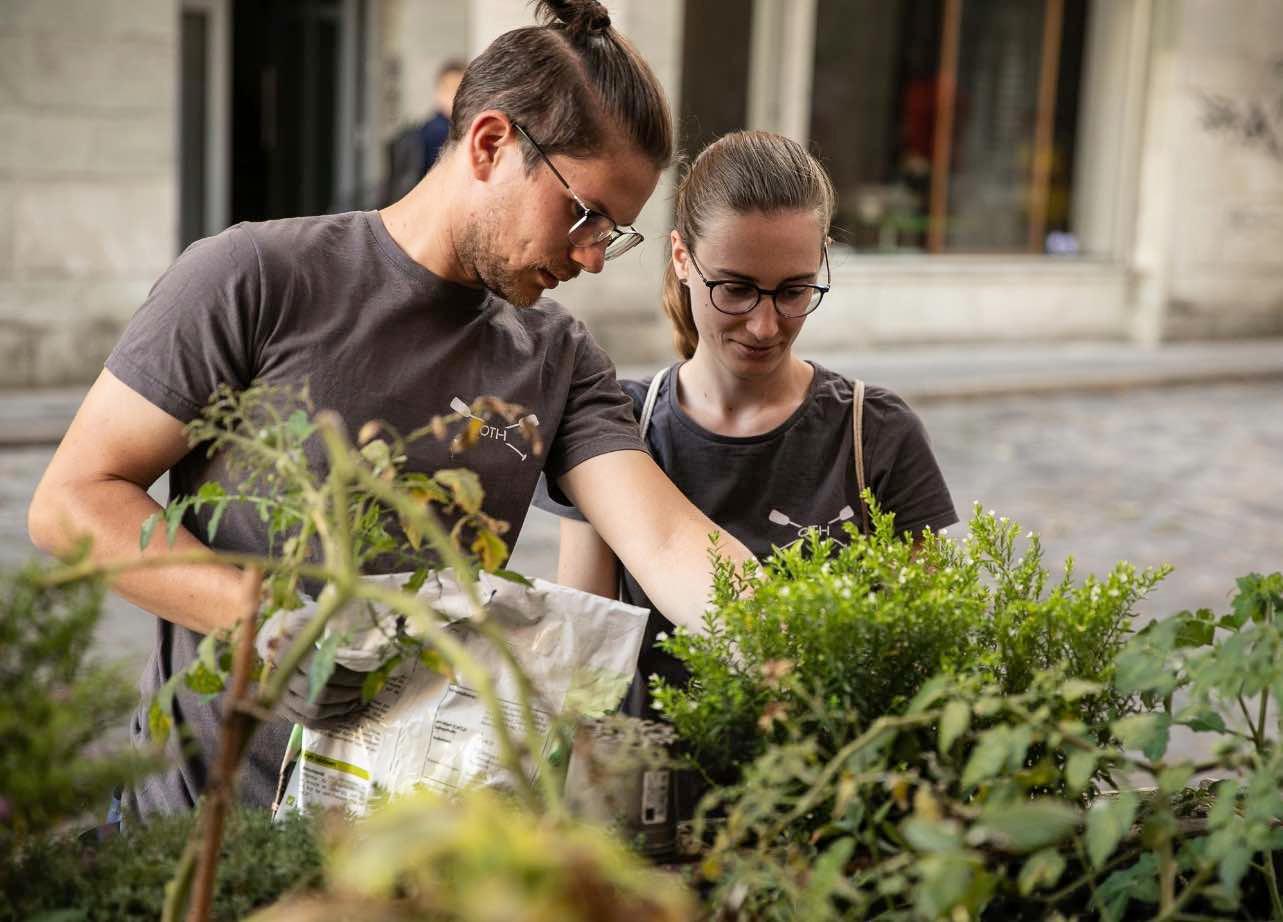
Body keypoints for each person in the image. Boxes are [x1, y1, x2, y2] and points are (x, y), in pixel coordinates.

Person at [27, 0, 754, 820]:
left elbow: (664, 539)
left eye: (614, 233)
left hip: (402, 854)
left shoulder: (556, 356)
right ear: (490, 144)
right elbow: (72, 501)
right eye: (583, 214)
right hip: (196, 837)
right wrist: (264, 626)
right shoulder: (255, 277)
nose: (592, 256)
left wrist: (787, 641)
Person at [535, 131, 958, 719]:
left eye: (793, 291)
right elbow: (579, 658)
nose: (765, 325)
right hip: (649, 798)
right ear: (682, 259)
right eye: (734, 289)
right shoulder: (615, 429)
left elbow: (925, 661)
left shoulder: (877, 434)